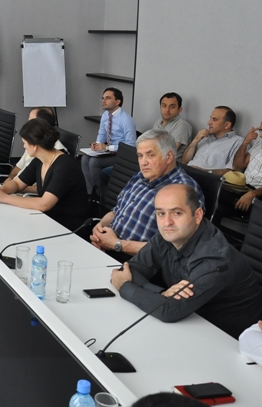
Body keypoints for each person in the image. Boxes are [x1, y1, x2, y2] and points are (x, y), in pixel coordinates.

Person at [110, 184, 262, 339]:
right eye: (161, 213)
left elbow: (169, 310)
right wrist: (161, 293)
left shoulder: (215, 260)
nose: (167, 222)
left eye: (177, 213)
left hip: (227, 338)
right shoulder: (168, 235)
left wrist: (124, 285)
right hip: (190, 322)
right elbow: (131, 268)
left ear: (198, 215)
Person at [90, 130, 204, 257]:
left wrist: (117, 244)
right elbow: (117, 210)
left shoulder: (183, 190)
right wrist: (100, 227)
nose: (143, 162)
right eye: (140, 156)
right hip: (109, 247)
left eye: (150, 155)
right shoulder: (141, 175)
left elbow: (172, 249)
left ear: (169, 157)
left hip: (138, 261)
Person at [0, 118, 88, 230]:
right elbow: (17, 183)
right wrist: (2, 189)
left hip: (67, 226)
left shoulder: (65, 166)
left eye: (25, 143)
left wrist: (5, 198)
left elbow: (44, 204)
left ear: (34, 146)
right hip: (47, 220)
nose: (24, 146)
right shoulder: (39, 160)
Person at [81, 87, 137, 195]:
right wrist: (97, 144)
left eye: (107, 98)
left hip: (121, 154)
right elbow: (102, 134)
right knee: (84, 158)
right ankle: (90, 192)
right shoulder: (105, 115)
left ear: (117, 101)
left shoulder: (126, 120)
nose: (103, 101)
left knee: (94, 162)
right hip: (109, 151)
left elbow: (131, 146)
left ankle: (100, 195)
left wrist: (107, 147)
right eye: (103, 98)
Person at [3, 107, 66, 188]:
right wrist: (10, 179)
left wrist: (16, 188)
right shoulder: (34, 145)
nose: (27, 124)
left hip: (27, 193)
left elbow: (46, 189)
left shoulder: (54, 156)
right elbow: (19, 167)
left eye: (31, 121)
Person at [213, 120, 262, 221]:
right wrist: (245, 143)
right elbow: (238, 166)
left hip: (257, 194)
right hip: (242, 187)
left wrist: (253, 194)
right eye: (261, 130)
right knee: (211, 188)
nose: (260, 135)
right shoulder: (259, 143)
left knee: (216, 204)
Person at [181, 106, 242, 175]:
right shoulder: (204, 136)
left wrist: (206, 172)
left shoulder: (237, 142)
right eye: (210, 118)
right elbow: (184, 161)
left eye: (215, 119)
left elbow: (234, 172)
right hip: (185, 173)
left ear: (227, 125)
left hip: (204, 178)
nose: (209, 122)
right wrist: (195, 141)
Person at [153, 92, 193, 160]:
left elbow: (170, 150)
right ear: (160, 107)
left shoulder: (182, 125)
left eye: (172, 107)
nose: (167, 110)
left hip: (169, 164)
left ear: (180, 110)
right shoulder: (157, 123)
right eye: (164, 106)